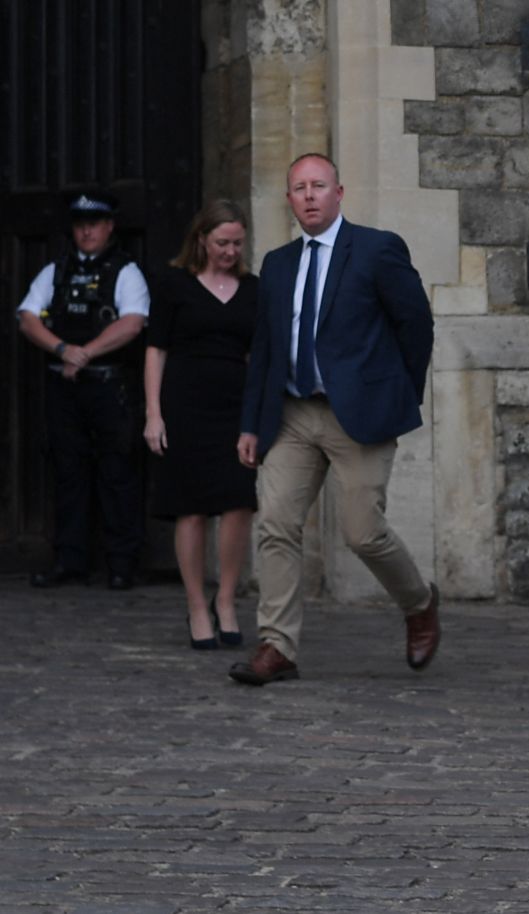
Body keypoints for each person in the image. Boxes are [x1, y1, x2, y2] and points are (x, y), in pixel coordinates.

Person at [228, 152, 440, 687]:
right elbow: (266, 348)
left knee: (363, 533)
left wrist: (395, 395)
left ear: (339, 192)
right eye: (298, 188)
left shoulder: (376, 250)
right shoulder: (277, 264)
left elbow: (415, 326)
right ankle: (277, 646)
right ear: (289, 200)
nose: (308, 196)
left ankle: (418, 603)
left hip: (359, 416)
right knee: (276, 524)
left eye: (318, 186)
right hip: (294, 414)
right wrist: (252, 423)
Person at [16, 191, 150, 591]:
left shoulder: (125, 270)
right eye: (80, 224)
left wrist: (85, 354)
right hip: (65, 387)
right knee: (68, 472)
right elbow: (26, 317)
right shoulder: (56, 271)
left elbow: (133, 322)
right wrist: (63, 350)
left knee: (117, 473)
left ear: (110, 226)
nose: (87, 230)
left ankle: (121, 564)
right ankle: (69, 560)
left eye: (94, 223)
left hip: (109, 388)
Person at [144, 200, 259, 650]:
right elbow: (156, 349)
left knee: (238, 503)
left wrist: (255, 418)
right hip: (184, 406)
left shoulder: (253, 289)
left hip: (234, 409)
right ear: (201, 240)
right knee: (190, 508)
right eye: (221, 243)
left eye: (237, 243)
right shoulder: (175, 284)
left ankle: (226, 600)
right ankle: (196, 605)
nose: (230, 251)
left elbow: (257, 353)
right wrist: (153, 414)